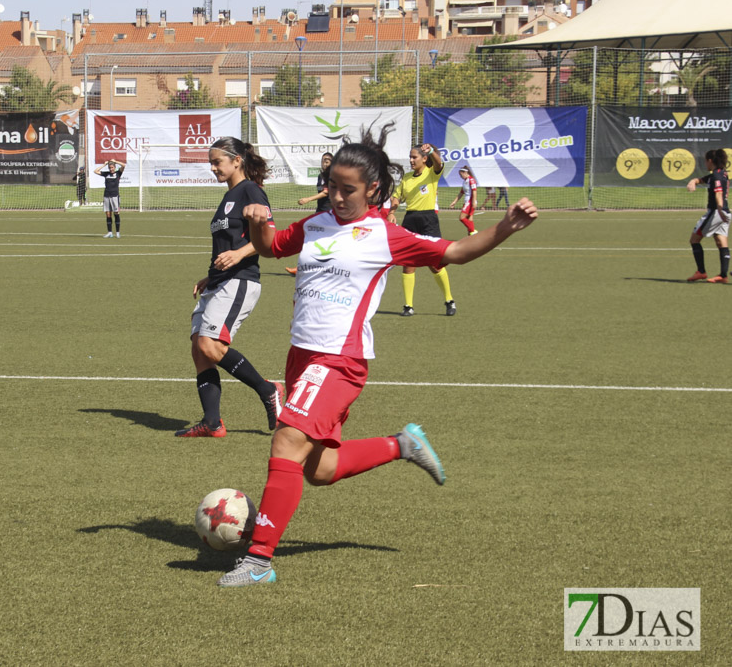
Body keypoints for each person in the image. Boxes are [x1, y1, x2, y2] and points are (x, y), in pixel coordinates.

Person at [216, 126, 538, 587]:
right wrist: (257, 223)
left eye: (348, 190)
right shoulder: (316, 223)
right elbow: (270, 248)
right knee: (320, 469)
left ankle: (259, 559)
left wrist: (505, 228)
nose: (338, 196)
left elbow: (455, 251)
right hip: (302, 358)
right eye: (332, 187)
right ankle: (402, 445)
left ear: (372, 189)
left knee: (286, 440)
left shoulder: (384, 235)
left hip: (339, 361)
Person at [176, 137, 284, 439]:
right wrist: (209, 276)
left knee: (211, 346)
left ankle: (268, 389)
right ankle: (212, 422)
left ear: (237, 160)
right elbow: (228, 243)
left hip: (241, 280)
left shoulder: (250, 190)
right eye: (210, 163)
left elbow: (269, 237)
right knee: (200, 350)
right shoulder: (230, 196)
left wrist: (239, 254)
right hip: (220, 282)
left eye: (217, 162)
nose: (213, 168)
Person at [388, 141, 456, 316]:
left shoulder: (431, 173)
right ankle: (408, 306)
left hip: (428, 220)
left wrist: (432, 151)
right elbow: (397, 197)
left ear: (424, 159)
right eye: (410, 157)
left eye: (414, 157)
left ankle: (449, 300)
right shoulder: (406, 178)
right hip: (410, 220)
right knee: (408, 264)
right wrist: (392, 211)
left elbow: (439, 163)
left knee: (435, 264)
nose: (411, 160)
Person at [685, 148, 730, 283]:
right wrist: (693, 181)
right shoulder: (721, 174)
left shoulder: (716, 176)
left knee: (694, 240)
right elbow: (701, 180)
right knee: (721, 242)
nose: (705, 164)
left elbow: (718, 194)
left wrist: (720, 210)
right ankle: (723, 275)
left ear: (710, 161)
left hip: (716, 212)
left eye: (706, 161)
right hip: (724, 212)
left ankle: (701, 272)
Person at [286, 151, 335, 275]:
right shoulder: (321, 175)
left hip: (328, 213)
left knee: (315, 239)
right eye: (323, 160)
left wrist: (308, 199)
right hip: (320, 212)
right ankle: (305, 267)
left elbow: (326, 192)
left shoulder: (331, 176)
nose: (324, 163)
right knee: (313, 239)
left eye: (327, 161)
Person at [94, 159, 124, 238]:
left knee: (116, 213)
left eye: (112, 167)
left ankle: (117, 232)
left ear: (114, 167)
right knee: (108, 214)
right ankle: (110, 232)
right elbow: (95, 171)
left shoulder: (118, 173)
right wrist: (104, 164)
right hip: (106, 195)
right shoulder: (106, 174)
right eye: (110, 167)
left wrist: (116, 161)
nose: (111, 169)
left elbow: (123, 165)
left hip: (115, 196)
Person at [449, 164, 479, 236]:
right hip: (467, 202)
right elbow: (461, 193)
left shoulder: (471, 180)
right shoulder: (465, 181)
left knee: (462, 218)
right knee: (469, 219)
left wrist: (473, 202)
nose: (460, 176)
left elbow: (474, 191)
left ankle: (473, 231)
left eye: (461, 174)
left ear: (465, 173)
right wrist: (454, 202)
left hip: (470, 202)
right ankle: (471, 236)